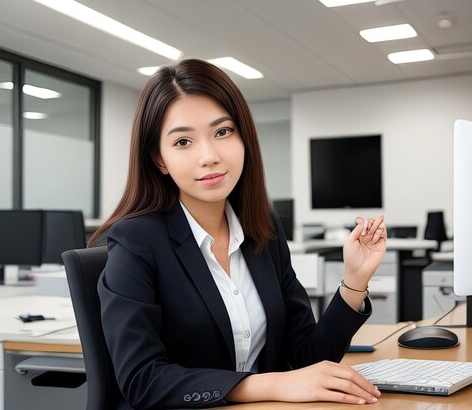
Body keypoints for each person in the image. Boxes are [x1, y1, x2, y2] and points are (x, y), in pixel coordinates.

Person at [90, 59, 387, 409]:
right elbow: (143, 380)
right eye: (183, 141)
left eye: (222, 132)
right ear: (160, 160)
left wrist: (354, 281)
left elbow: (307, 358)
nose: (209, 156)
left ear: (243, 137)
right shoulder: (136, 241)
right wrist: (266, 385)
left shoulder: (264, 230)